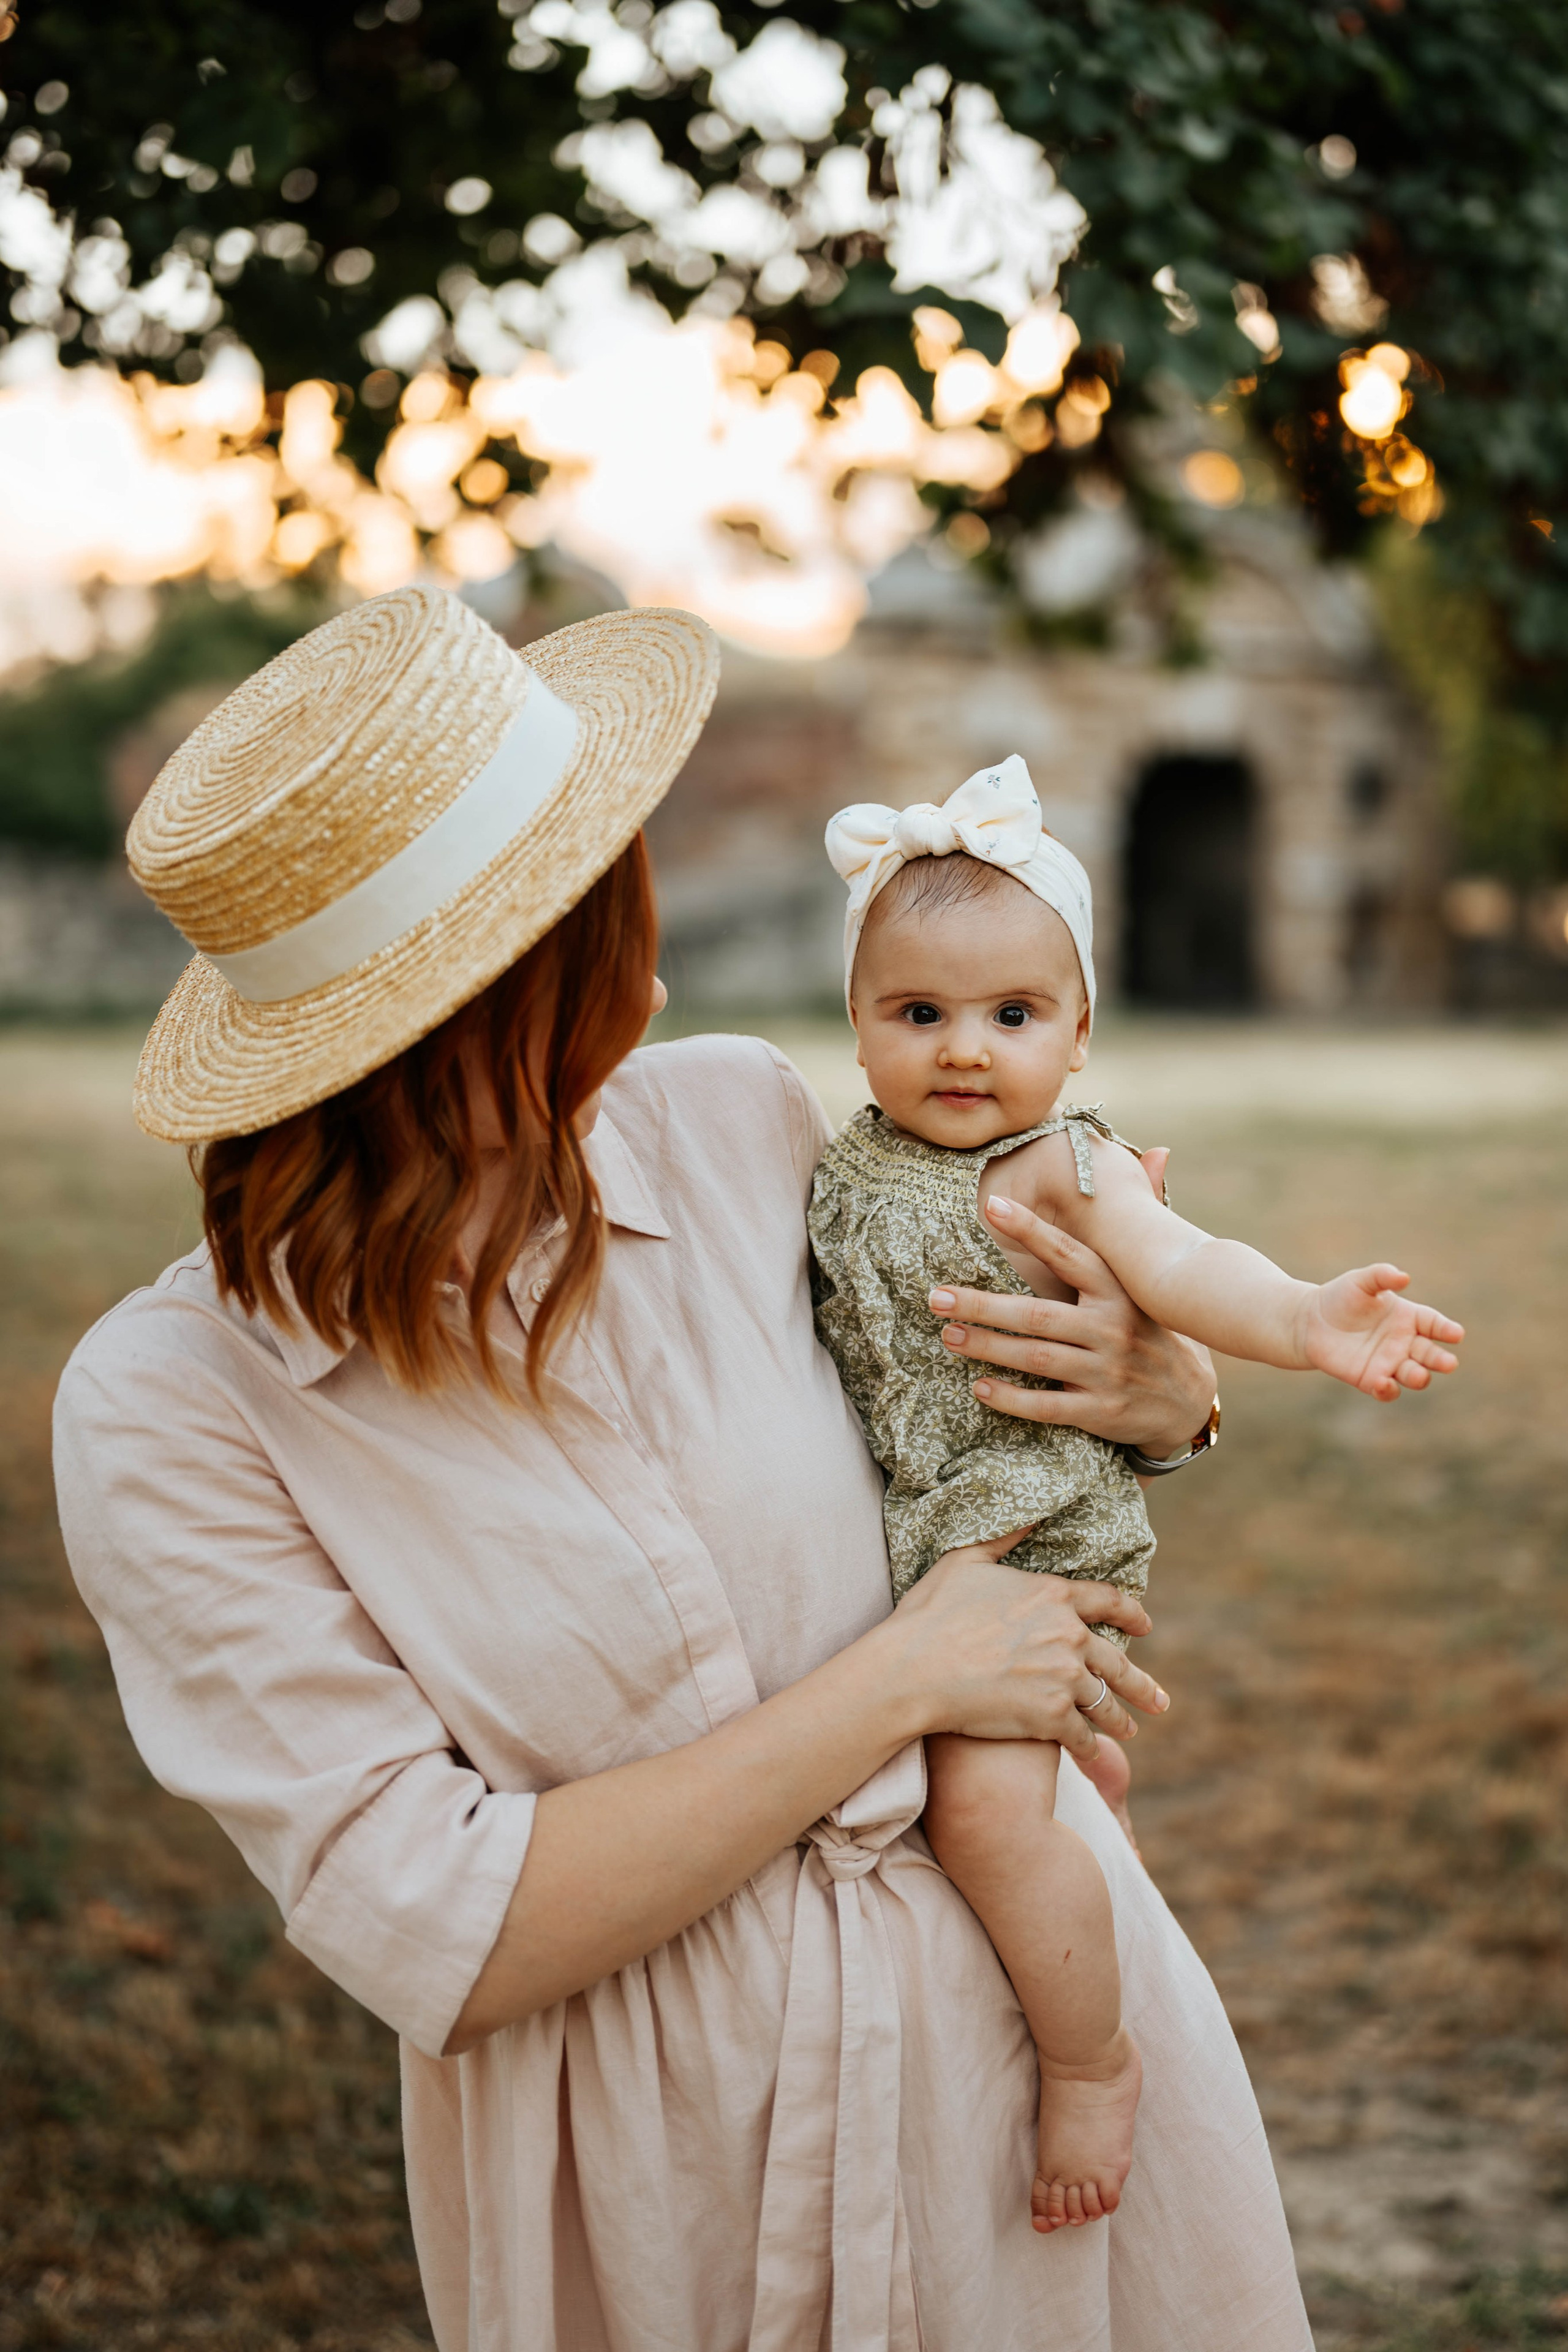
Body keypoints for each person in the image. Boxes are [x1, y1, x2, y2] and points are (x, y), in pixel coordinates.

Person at [53, 585, 1315, 2352]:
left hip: (1025, 2068)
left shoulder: (736, 1124)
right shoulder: (176, 1404)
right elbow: (445, 1931)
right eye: (594, 916)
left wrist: (1163, 1390)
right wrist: (906, 1682)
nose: (648, 962)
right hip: (665, 2173)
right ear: (479, 1000)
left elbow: (989, 1402)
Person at [810, 757, 1463, 2241]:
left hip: (1026, 1520)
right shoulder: (844, 1164)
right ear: (857, 1030)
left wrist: (1302, 1318)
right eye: (917, 1014)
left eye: (1012, 1017)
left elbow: (1183, 1270)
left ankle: (1089, 2059)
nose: (963, 1051)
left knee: (976, 1822)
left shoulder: (1066, 1166)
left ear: (1079, 1033)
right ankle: (1081, 1788)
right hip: (920, 1521)